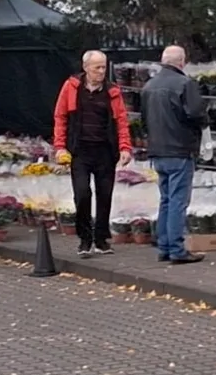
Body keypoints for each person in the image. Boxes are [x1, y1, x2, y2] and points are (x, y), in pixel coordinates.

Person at [53, 50, 133, 256]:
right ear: (85, 67)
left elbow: (121, 121)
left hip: (105, 150)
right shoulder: (71, 87)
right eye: (97, 67)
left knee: (105, 195)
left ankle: (101, 239)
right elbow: (60, 117)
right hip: (79, 150)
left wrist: (125, 147)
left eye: (104, 67)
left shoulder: (112, 91)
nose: (101, 71)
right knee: (82, 194)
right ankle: (84, 239)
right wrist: (60, 146)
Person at [140, 45, 206, 265]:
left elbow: (144, 119)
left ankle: (165, 246)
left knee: (166, 199)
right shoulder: (185, 84)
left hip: (157, 150)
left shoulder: (148, 86)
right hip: (180, 149)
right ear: (182, 62)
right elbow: (196, 114)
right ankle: (177, 250)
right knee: (178, 199)